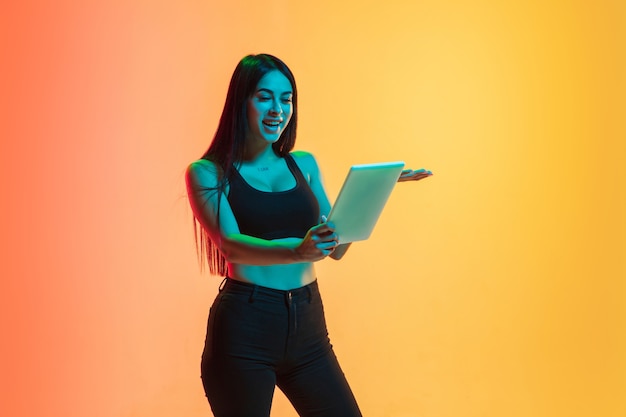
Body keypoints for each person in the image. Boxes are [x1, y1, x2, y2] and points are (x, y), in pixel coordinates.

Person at [186, 53, 432, 417]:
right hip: (245, 330)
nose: (277, 109)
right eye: (264, 97)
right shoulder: (208, 172)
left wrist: (372, 190)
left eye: (286, 99)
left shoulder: (304, 163)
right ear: (242, 101)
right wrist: (298, 252)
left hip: (308, 326)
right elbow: (231, 245)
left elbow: (337, 248)